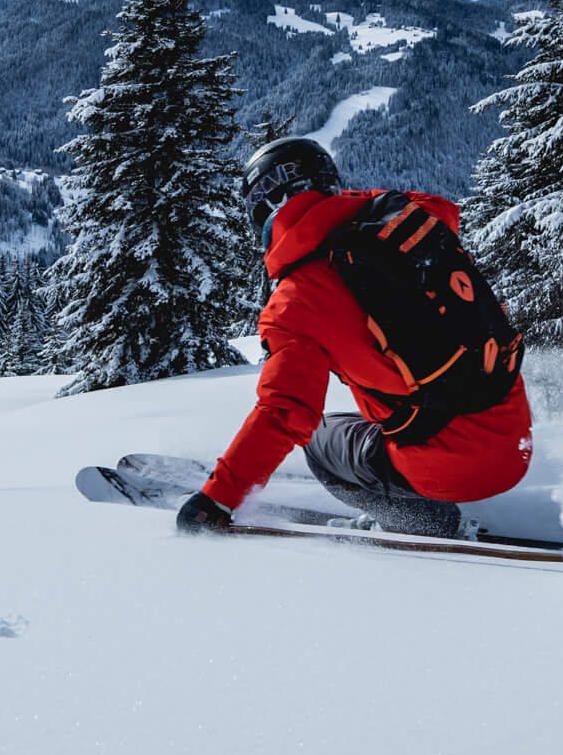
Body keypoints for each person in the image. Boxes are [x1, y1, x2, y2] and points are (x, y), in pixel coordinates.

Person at [176, 136, 532, 538]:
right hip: (516, 440)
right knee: (373, 416)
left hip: (446, 472)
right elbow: (443, 207)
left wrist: (217, 497)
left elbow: (283, 412)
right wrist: (348, 205)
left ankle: (425, 521)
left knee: (320, 443)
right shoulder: (415, 221)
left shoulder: (295, 303)